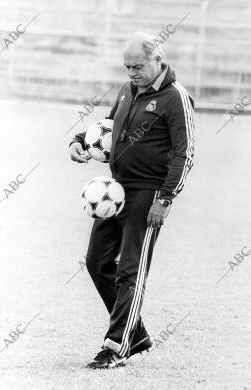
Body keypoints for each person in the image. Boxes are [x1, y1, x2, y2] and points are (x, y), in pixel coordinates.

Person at [69, 32, 195, 369]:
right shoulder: (128, 91)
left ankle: (116, 346)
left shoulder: (175, 97)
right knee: (97, 262)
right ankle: (135, 333)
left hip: (150, 192)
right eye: (126, 67)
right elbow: (107, 127)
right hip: (116, 189)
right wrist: (79, 140)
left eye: (137, 66)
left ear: (157, 59)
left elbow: (185, 153)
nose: (131, 73)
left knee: (131, 270)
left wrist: (166, 198)